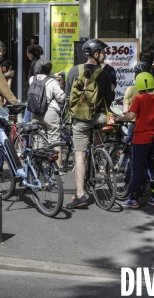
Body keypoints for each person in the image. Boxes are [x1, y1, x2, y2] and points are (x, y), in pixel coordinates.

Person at [64, 39, 113, 209]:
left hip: (80, 120)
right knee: (98, 131)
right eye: (102, 51)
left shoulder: (72, 71)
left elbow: (67, 96)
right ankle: (99, 156)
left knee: (80, 155)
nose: (105, 54)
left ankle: (80, 194)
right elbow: (109, 99)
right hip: (98, 118)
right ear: (95, 54)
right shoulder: (104, 75)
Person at [116, 72, 154, 209]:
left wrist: (119, 119)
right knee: (153, 168)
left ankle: (133, 198)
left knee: (137, 168)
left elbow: (130, 116)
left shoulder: (139, 99)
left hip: (141, 139)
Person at [29, 59, 66, 168]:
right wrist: (61, 84)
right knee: (54, 139)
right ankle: (58, 166)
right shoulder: (52, 81)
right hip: (50, 112)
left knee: (38, 138)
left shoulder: (32, 79)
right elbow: (61, 98)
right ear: (49, 69)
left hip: (35, 112)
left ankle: (37, 166)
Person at [24, 44, 44, 122]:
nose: (26, 55)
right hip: (37, 94)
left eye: (27, 53)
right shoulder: (39, 62)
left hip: (33, 94)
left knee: (26, 119)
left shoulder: (34, 64)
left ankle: (25, 133)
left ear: (30, 54)